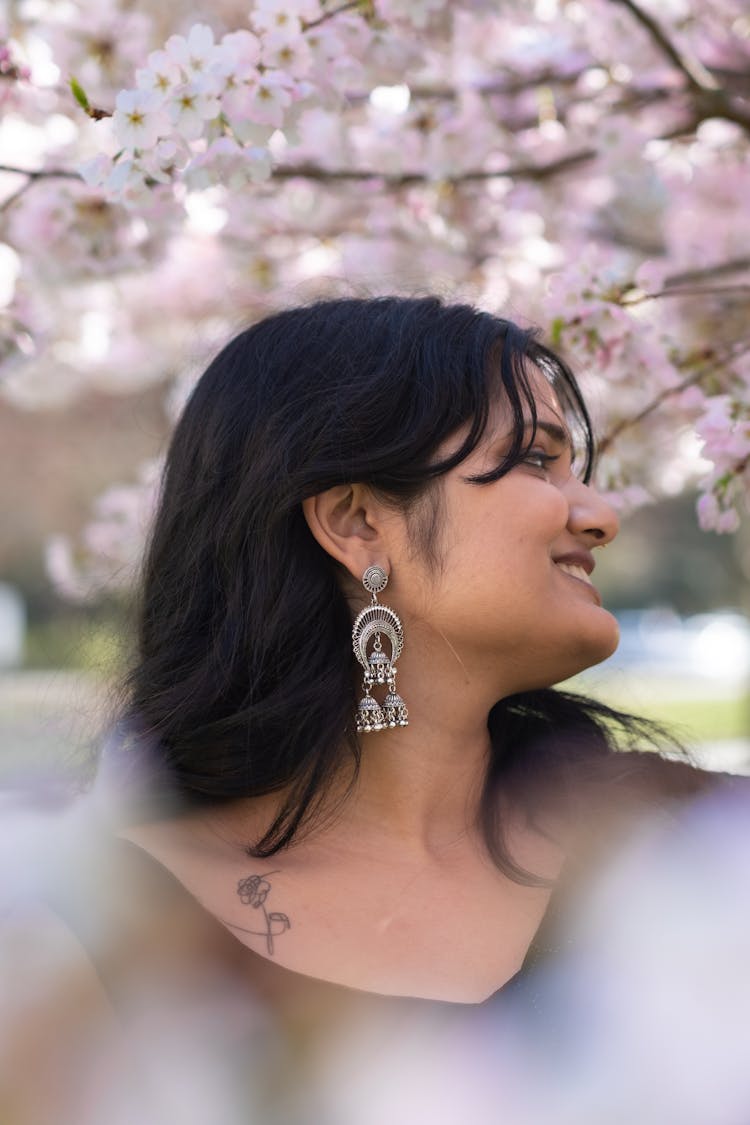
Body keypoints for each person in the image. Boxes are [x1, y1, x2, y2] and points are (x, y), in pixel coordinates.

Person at [0, 296, 735, 1123]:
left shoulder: (687, 842)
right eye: (535, 461)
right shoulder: (91, 929)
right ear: (355, 522)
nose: (599, 515)